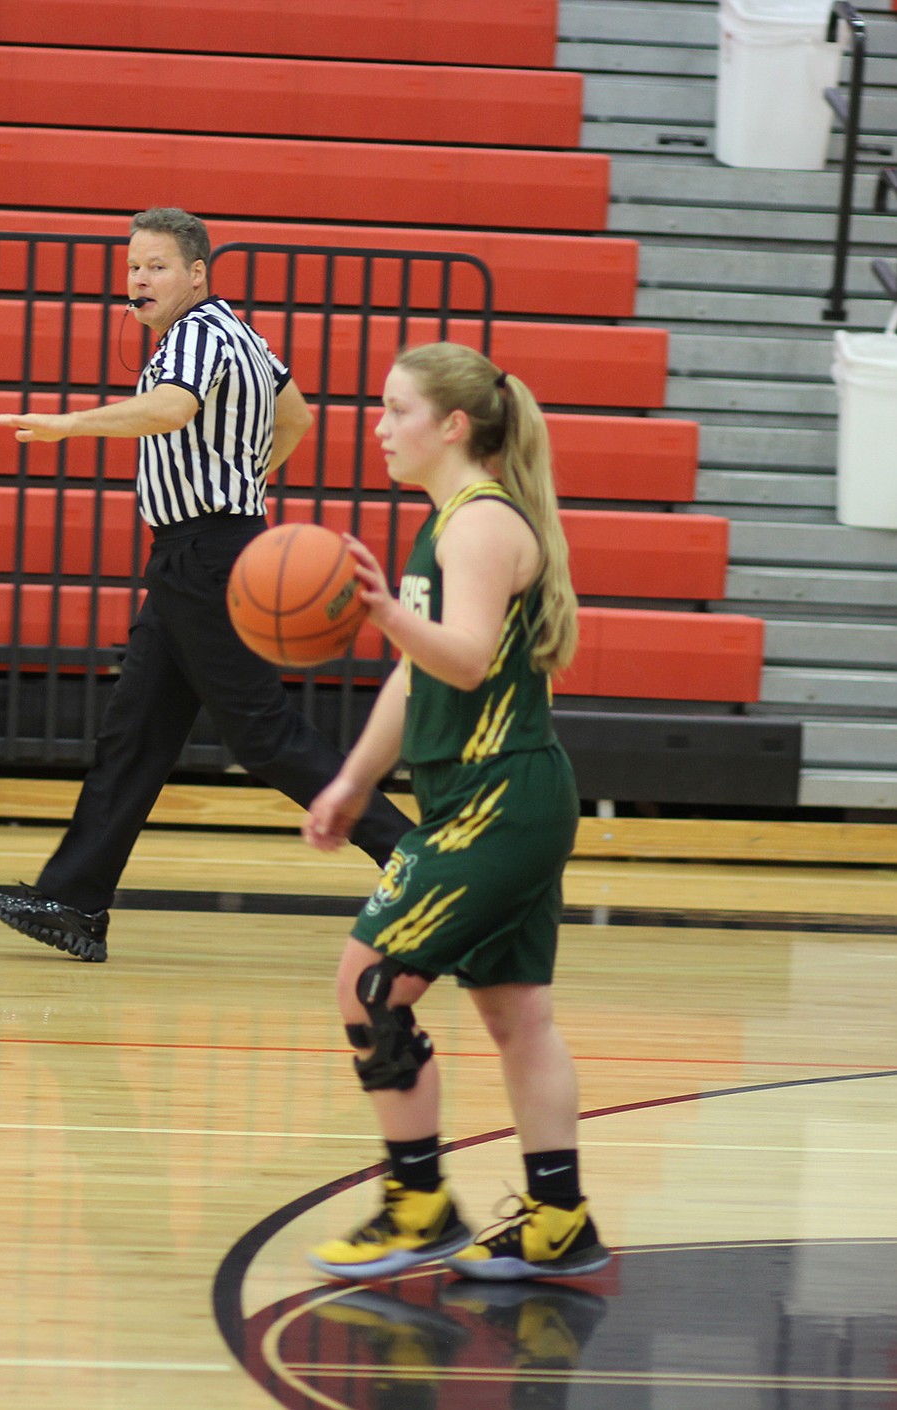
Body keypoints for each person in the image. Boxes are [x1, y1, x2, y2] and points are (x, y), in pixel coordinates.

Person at [0, 207, 410, 962]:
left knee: (264, 736)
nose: (139, 281)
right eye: (132, 269)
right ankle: (76, 901)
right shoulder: (242, 336)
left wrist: (68, 426)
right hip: (197, 552)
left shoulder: (198, 335)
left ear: (196, 273)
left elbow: (172, 408)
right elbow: (297, 417)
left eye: (155, 267)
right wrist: (245, 478)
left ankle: (415, 861)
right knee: (136, 734)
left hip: (207, 552)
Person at [302, 342, 610, 1282]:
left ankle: (418, 1206)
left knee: (371, 989)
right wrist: (355, 781)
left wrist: (388, 611)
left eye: (396, 410)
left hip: (496, 803)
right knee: (519, 1014)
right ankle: (559, 1220)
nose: (379, 425)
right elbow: (419, 673)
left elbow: (464, 656)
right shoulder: (452, 523)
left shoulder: (476, 527)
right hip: (491, 797)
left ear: (454, 425)